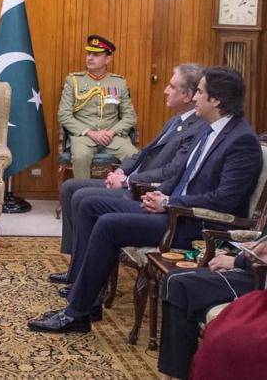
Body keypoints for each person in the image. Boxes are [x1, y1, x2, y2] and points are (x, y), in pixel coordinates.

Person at [29, 66, 263, 333]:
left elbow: (223, 200)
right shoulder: (208, 129)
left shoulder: (241, 140)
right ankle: (87, 300)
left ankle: (77, 313)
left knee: (108, 225)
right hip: (171, 209)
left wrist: (170, 202)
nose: (195, 97)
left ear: (216, 100)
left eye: (200, 92)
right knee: (92, 204)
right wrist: (160, 194)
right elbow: (182, 173)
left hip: (193, 224)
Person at [51, 63, 207, 281]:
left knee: (83, 198)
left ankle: (82, 273)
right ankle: (76, 263)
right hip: (132, 180)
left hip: (144, 189)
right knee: (70, 188)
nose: (165, 90)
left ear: (187, 95)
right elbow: (144, 153)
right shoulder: (176, 120)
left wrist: (128, 181)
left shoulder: (196, 128)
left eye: (171, 87)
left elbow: (171, 171)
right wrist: (120, 172)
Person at [157, 238, 267, 379]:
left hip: (257, 278)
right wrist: (253, 248)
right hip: (250, 267)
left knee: (179, 285)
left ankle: (180, 374)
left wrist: (238, 261)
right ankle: (177, 372)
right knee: (174, 281)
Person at [57, 35, 139, 179]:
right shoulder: (73, 81)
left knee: (134, 156)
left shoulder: (119, 83)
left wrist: (112, 132)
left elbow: (130, 116)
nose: (90, 58)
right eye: (89, 53)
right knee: (80, 157)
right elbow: (64, 115)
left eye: (95, 55)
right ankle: (82, 192)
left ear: (107, 59)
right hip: (84, 137)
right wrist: (90, 133)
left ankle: (123, 191)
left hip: (112, 137)